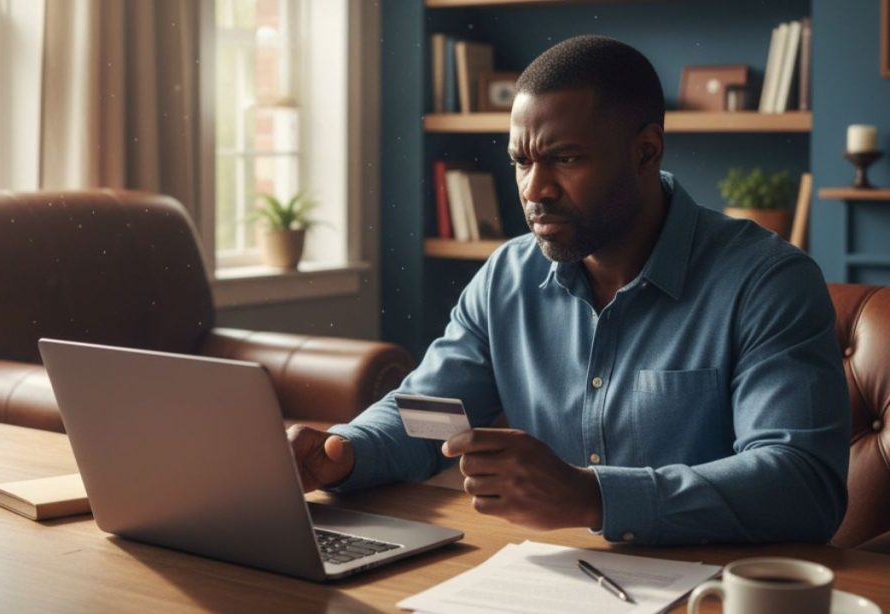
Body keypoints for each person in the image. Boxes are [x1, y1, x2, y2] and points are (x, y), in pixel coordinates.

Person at [287, 35, 850, 545]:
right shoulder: (506, 277)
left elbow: (802, 482)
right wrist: (346, 452)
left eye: (565, 158)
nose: (535, 188)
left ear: (647, 151)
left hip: (714, 593)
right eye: (521, 161)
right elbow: (427, 415)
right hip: (552, 582)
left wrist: (593, 495)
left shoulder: (768, 282)